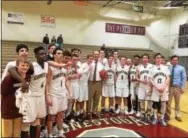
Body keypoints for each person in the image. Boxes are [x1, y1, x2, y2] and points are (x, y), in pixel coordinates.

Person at [1, 59, 30, 137]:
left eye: (27, 65)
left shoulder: (27, 76)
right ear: (17, 66)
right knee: (7, 135)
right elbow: (2, 93)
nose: (25, 67)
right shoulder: (8, 78)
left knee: (17, 134)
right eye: (23, 65)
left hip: (19, 109)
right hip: (8, 109)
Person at [46, 48, 71, 137]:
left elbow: (66, 80)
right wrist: (48, 96)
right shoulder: (51, 67)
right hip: (53, 94)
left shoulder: (65, 68)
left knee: (60, 115)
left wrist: (69, 92)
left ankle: (60, 132)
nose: (60, 54)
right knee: (51, 116)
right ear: (54, 55)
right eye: (58, 53)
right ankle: (50, 134)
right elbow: (47, 83)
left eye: (61, 53)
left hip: (62, 94)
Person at [149, 53, 170, 126]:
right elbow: (150, 79)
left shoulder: (165, 67)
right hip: (155, 88)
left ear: (162, 59)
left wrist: (164, 87)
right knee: (154, 103)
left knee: (163, 104)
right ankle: (155, 117)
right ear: (154, 59)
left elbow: (168, 78)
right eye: (157, 58)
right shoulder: (151, 68)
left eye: (160, 58)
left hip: (164, 88)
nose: (159, 59)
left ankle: (162, 118)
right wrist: (157, 87)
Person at [166, 55, 187, 122]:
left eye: (176, 60)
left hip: (177, 87)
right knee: (168, 102)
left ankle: (177, 115)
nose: (175, 61)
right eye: (173, 60)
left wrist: (182, 88)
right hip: (170, 87)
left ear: (178, 61)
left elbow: (184, 78)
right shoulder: (168, 68)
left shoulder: (181, 68)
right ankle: (168, 115)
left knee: (177, 102)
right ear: (171, 61)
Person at [87, 50, 104, 119]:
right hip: (91, 82)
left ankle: (94, 111)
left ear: (99, 55)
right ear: (93, 55)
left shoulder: (101, 64)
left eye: (97, 54)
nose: (96, 55)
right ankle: (88, 112)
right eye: (95, 54)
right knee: (89, 98)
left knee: (97, 98)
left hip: (98, 82)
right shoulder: (90, 63)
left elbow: (103, 74)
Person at [136, 53, 153, 121]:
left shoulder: (152, 66)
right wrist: (141, 80)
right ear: (142, 59)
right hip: (141, 86)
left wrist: (151, 86)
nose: (145, 59)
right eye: (143, 58)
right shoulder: (139, 67)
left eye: (146, 58)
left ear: (148, 59)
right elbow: (136, 77)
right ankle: (142, 113)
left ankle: (148, 114)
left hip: (149, 86)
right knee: (142, 100)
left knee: (149, 101)